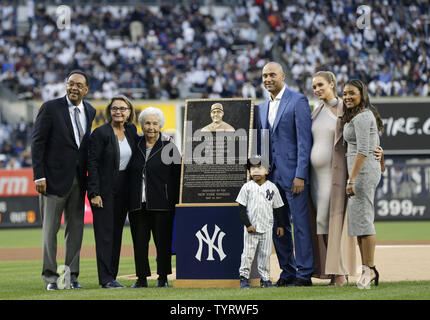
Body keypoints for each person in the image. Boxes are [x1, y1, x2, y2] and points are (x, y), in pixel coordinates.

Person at [309, 71, 385, 286]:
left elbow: (366, 143)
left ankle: (347, 272)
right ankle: (353, 270)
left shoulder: (347, 109)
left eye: (321, 85)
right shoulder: (317, 110)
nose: (316, 89)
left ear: (331, 84)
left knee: (345, 223)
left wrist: (378, 155)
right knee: (327, 222)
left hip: (342, 174)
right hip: (318, 177)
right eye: (314, 86)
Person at [31, 70, 96, 290]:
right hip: (51, 180)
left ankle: (70, 278)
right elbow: (37, 143)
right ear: (65, 85)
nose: (74, 88)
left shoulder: (90, 110)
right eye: (70, 84)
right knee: (50, 231)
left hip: (79, 180)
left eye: (79, 85)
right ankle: (51, 278)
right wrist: (39, 175)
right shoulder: (50, 108)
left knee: (75, 231)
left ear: (86, 89)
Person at [255, 61, 313, 286]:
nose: (268, 79)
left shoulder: (298, 101)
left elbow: (304, 142)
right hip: (271, 179)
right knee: (278, 227)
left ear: (283, 76)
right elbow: (262, 144)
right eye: (264, 76)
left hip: (293, 177)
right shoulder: (261, 107)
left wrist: (301, 175)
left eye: (272, 75)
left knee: (299, 225)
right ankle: (287, 271)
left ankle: (304, 273)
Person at [127, 107, 181, 288]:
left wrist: (175, 202)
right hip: (137, 203)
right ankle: (141, 279)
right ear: (141, 125)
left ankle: (163, 278)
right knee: (140, 243)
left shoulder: (169, 147)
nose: (151, 127)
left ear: (161, 126)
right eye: (147, 123)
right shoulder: (134, 146)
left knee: (163, 243)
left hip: (162, 203)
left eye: (155, 123)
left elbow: (177, 176)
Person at [87, 95, 137, 289]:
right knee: (105, 235)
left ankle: (112, 277)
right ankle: (106, 279)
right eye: (115, 108)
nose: (119, 111)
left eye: (123, 109)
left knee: (117, 235)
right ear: (109, 111)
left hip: (125, 190)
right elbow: (92, 163)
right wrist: (94, 193)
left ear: (129, 112)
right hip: (105, 190)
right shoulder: (100, 133)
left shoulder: (132, 130)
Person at [342, 79, 384, 289]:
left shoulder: (362, 116)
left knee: (364, 221)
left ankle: (370, 269)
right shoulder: (360, 115)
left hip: (362, 173)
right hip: (362, 171)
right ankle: (367, 269)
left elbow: (363, 151)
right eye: (344, 93)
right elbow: (374, 145)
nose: (347, 96)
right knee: (359, 222)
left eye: (352, 93)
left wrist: (351, 179)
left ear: (362, 94)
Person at [236, 156, 284, 289]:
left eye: (259, 167)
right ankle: (244, 278)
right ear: (249, 171)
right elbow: (241, 208)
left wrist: (280, 225)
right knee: (248, 254)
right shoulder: (247, 187)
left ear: (267, 171)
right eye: (252, 168)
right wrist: (247, 224)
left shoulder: (272, 187)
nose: (256, 171)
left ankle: (265, 280)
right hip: (251, 228)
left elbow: (278, 208)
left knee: (265, 254)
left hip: (267, 227)